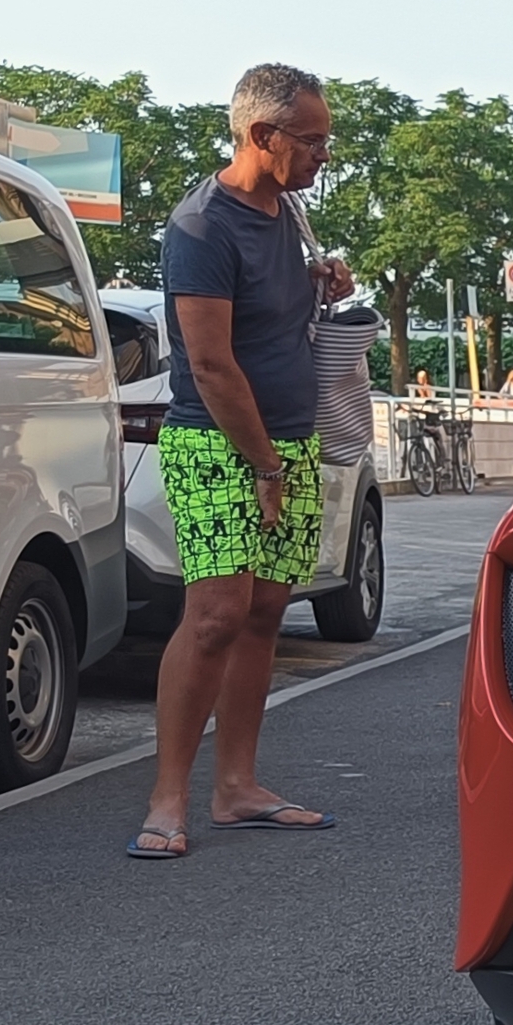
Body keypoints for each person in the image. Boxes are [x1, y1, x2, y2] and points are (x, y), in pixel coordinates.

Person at [130, 63, 348, 858]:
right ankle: (166, 799)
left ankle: (237, 787)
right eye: (313, 140)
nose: (324, 156)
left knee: (263, 613)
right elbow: (212, 363)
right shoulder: (201, 225)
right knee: (216, 613)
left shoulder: (287, 213)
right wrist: (263, 466)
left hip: (290, 438)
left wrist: (320, 286)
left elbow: (270, 319)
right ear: (263, 135)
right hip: (221, 444)